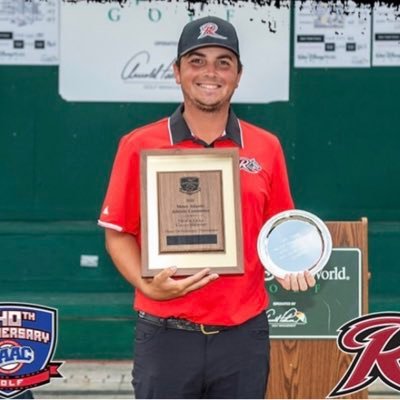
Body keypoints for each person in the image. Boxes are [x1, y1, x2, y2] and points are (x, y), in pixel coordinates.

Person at [98, 16, 315, 399]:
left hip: (243, 336)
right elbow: (118, 234)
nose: (209, 72)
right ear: (177, 72)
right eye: (196, 60)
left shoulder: (266, 146)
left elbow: (279, 229)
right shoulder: (139, 144)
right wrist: (147, 284)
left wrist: (291, 265)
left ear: (238, 75)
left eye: (223, 62)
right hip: (165, 334)